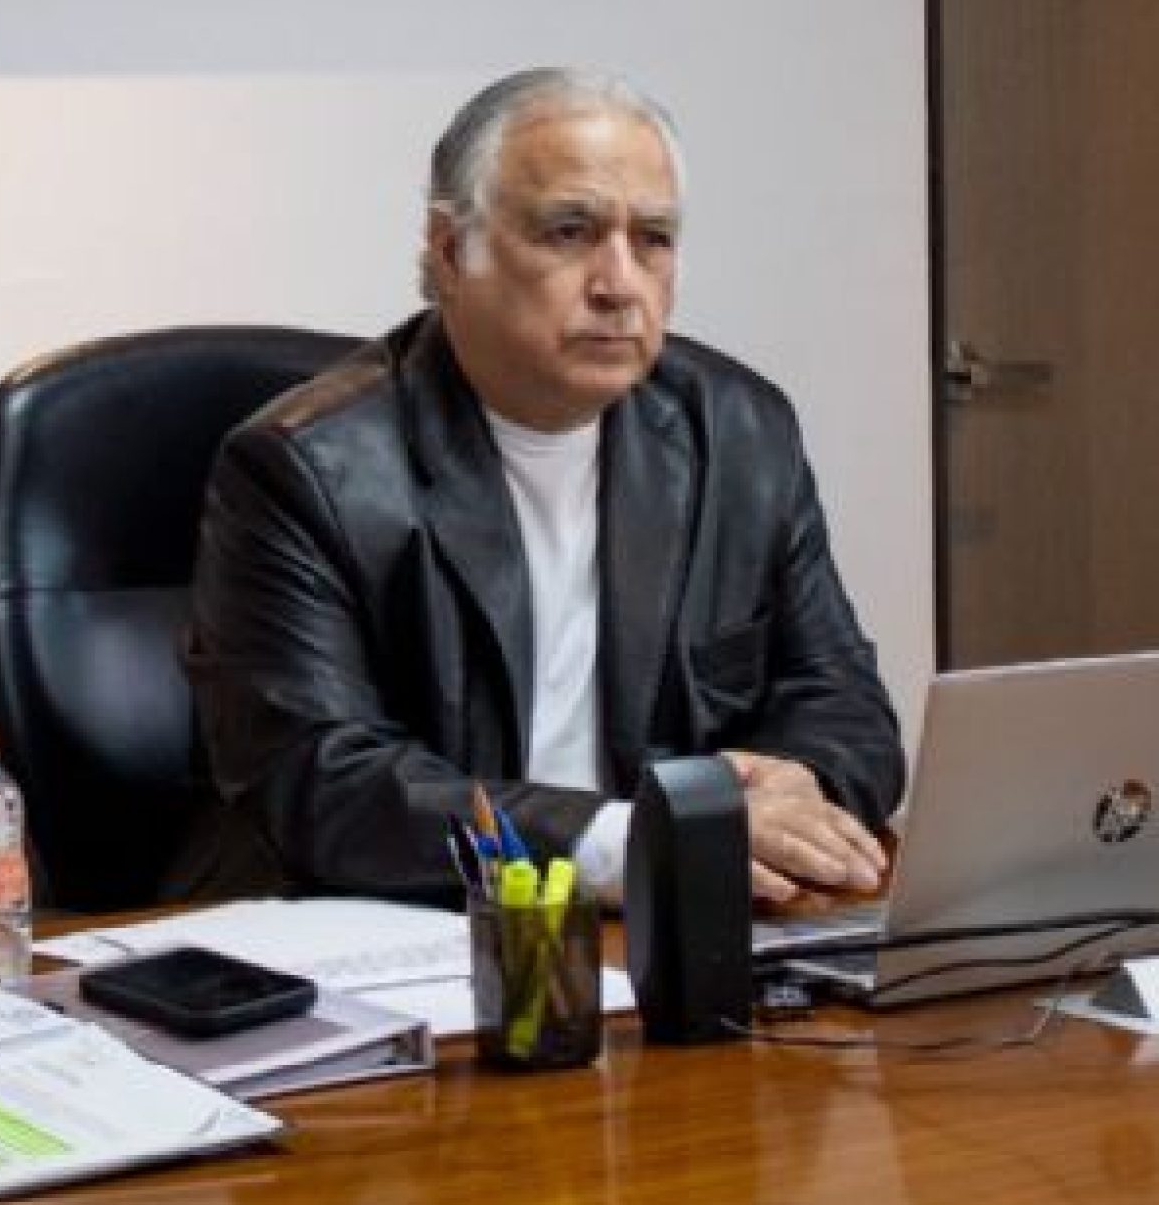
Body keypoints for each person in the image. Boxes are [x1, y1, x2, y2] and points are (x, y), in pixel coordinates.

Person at [180, 68, 905, 906]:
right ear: (450, 251)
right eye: (569, 232)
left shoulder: (740, 432)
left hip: (677, 925)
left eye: (653, 239)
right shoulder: (305, 470)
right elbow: (323, 782)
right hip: (434, 930)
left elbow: (845, 705)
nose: (619, 284)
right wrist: (633, 842)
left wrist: (797, 786)